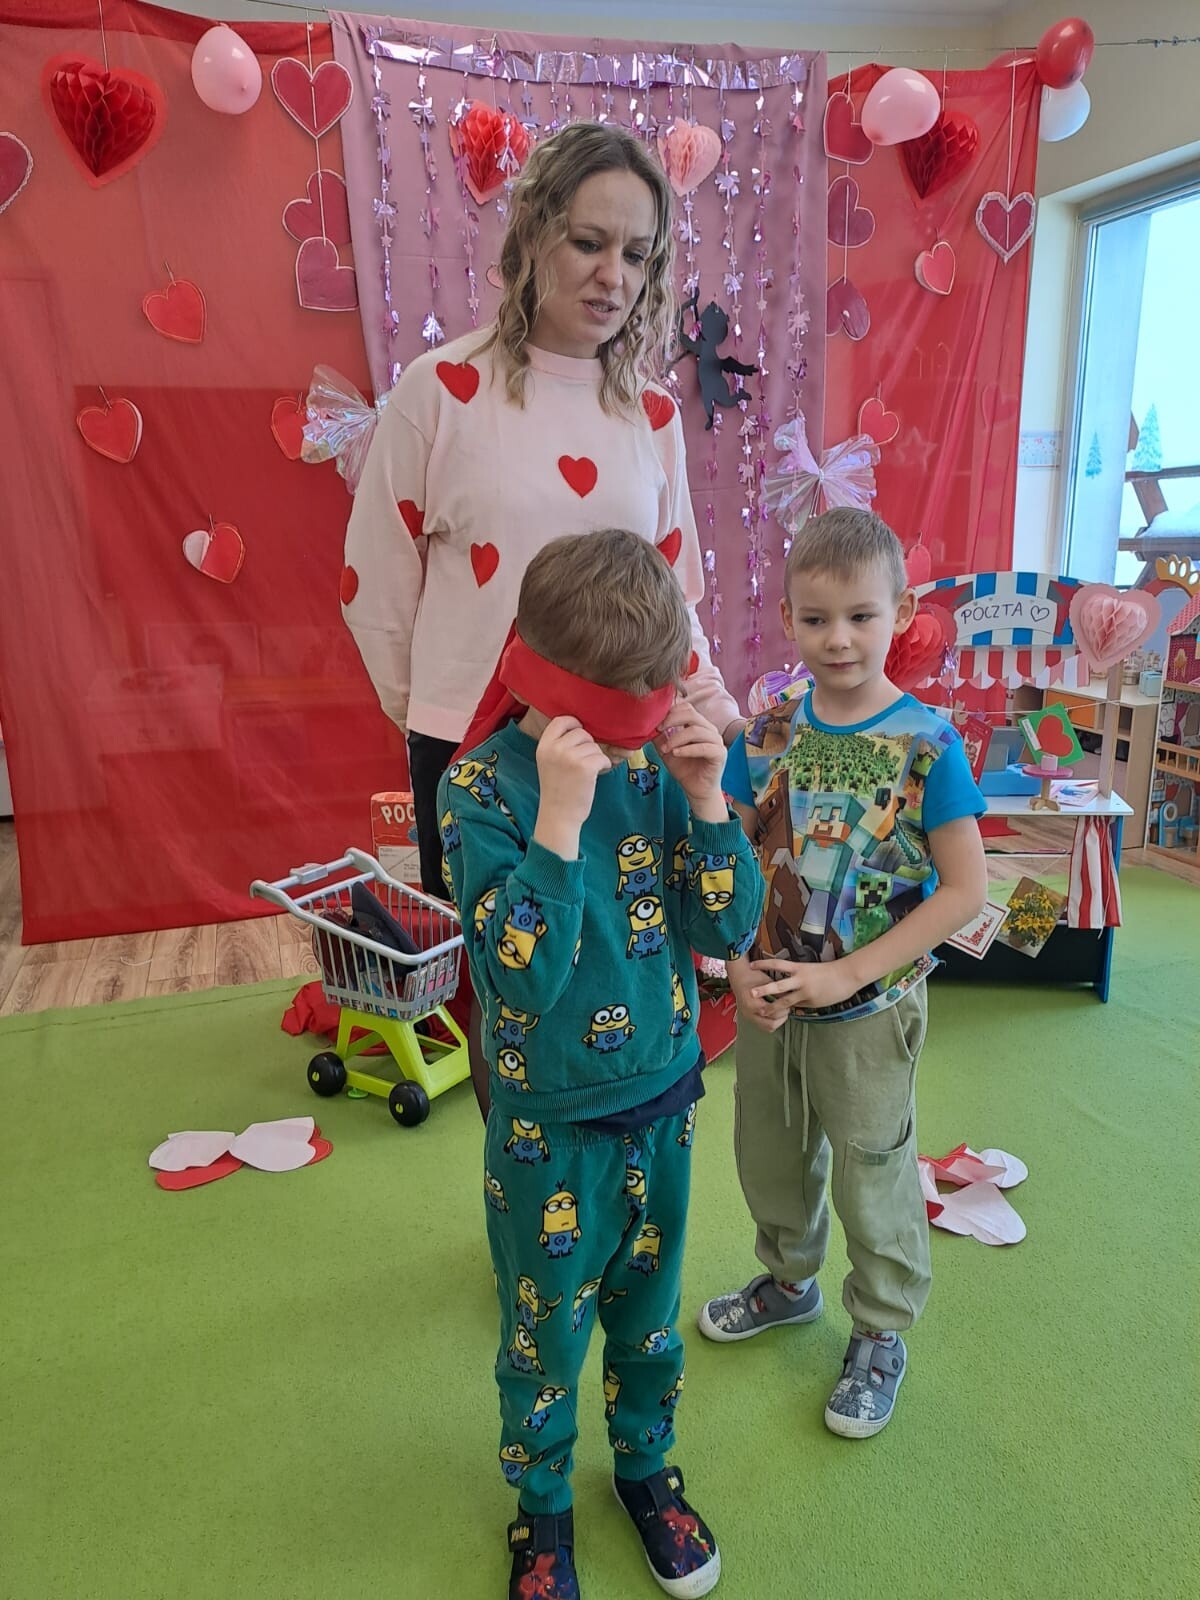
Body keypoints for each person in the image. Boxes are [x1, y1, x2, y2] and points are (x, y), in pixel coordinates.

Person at [342, 122, 743, 1113]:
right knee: (506, 981)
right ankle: (520, 1175)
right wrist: (433, 717)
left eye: (638, 253)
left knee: (616, 965)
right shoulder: (441, 391)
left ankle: (624, 1165)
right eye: (589, 242)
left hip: (626, 748)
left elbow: (673, 587)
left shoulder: (652, 413)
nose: (614, 276)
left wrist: (705, 699)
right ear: (533, 236)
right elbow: (374, 580)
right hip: (477, 749)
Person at [438, 530, 763, 1600]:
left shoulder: (662, 767)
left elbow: (730, 928)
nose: (651, 716)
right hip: (548, 1128)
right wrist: (562, 826)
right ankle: (542, 1507)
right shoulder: (479, 787)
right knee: (544, 1336)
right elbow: (518, 980)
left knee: (649, 1318)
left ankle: (643, 1470)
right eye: (635, 698)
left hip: (662, 1101)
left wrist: (709, 800)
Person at [698, 508, 987, 1440]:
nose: (839, 639)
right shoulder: (764, 736)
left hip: (870, 1011)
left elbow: (966, 891)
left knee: (872, 1168)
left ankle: (879, 1330)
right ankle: (788, 1283)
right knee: (769, 1154)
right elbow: (730, 860)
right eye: (817, 618)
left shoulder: (929, 745)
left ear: (899, 614)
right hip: (770, 1003)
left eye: (862, 616)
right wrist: (736, 964)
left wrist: (849, 973)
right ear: (788, 617)